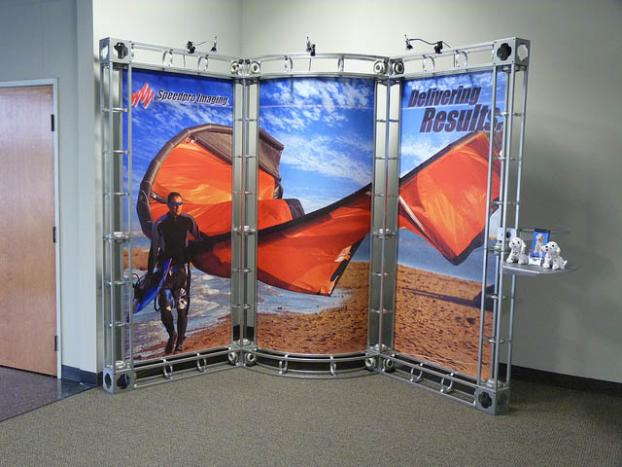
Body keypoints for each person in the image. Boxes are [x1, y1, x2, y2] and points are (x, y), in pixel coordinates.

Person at [147, 192, 201, 354]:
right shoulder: (160, 224)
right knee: (165, 309)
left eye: (180, 204)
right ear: (168, 205)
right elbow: (154, 249)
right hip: (165, 272)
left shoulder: (188, 220)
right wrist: (150, 273)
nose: (177, 207)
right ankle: (172, 334)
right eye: (174, 204)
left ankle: (179, 344)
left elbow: (199, 240)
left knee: (182, 308)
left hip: (182, 271)